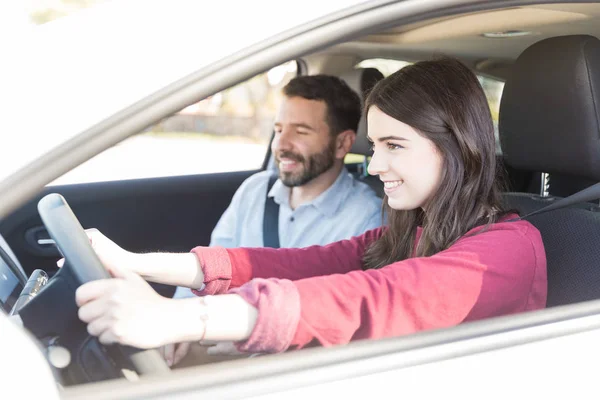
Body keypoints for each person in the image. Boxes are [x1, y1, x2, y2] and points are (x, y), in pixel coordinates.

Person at [73, 58, 547, 367]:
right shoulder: (417, 230)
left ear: (456, 147)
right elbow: (300, 265)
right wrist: (138, 263)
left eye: (394, 146)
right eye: (375, 144)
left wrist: (182, 319)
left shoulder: (504, 251)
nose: (375, 165)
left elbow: (371, 298)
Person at [172, 74, 383, 301]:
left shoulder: (368, 218)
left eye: (301, 131)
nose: (281, 144)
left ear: (342, 144)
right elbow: (205, 274)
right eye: (279, 129)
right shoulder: (255, 190)